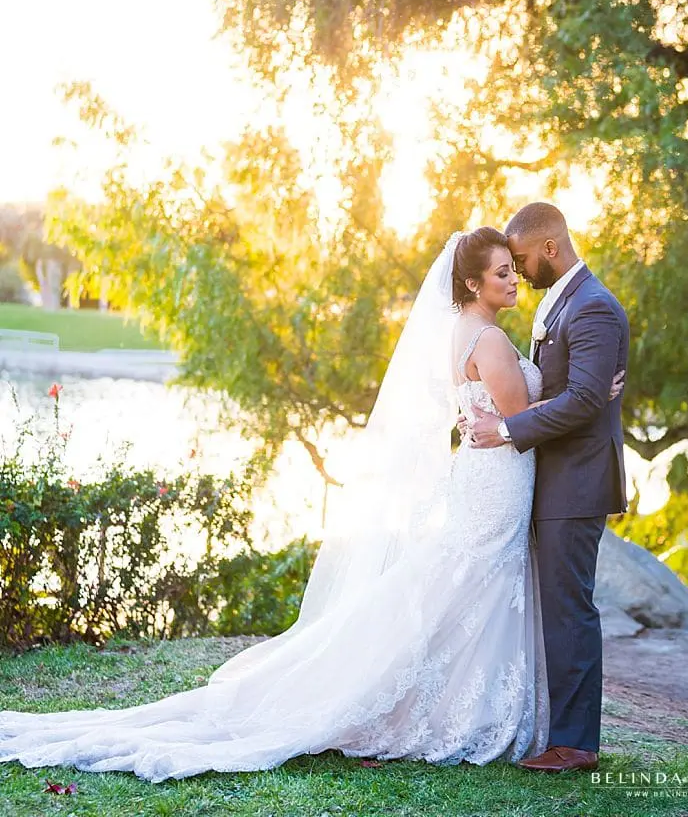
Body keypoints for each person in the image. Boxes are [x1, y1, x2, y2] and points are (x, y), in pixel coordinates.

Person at [0, 229, 559, 783]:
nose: (513, 280)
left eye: (513, 269)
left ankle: (450, 699)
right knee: (473, 583)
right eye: (502, 272)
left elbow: (502, 415)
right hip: (495, 480)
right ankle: (457, 709)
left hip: (486, 477)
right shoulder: (486, 339)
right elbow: (516, 417)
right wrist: (579, 399)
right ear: (471, 281)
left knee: (463, 585)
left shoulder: (462, 329)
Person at [467, 202, 629, 774]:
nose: (519, 269)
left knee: (569, 610)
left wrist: (508, 428)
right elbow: (579, 390)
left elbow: (585, 400)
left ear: (550, 249)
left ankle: (576, 743)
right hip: (555, 478)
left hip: (577, 482)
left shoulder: (593, 309)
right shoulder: (565, 306)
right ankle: (558, 731)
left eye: (522, 258)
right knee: (558, 607)